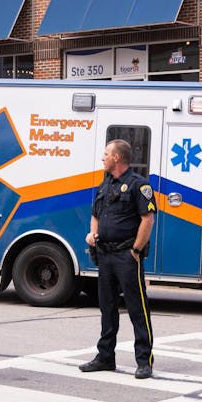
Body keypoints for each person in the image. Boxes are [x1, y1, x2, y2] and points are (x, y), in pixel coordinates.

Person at [80, 139, 156, 379]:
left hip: (126, 255)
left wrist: (135, 249)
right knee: (107, 308)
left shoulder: (138, 185)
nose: (102, 158)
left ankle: (144, 361)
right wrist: (93, 234)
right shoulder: (106, 184)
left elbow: (148, 219)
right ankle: (105, 357)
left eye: (106, 154)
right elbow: (96, 213)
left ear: (117, 158)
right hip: (105, 254)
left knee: (137, 308)